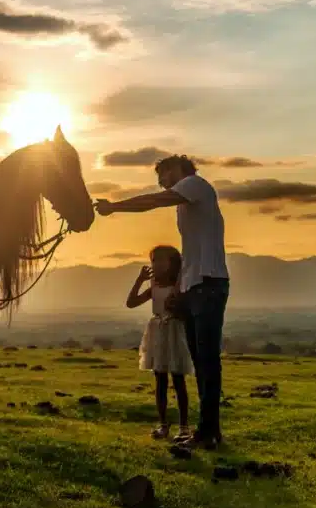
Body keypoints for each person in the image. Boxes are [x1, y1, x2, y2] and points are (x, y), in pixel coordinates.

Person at [96, 154, 229, 449]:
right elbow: (191, 252)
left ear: (176, 170)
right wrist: (181, 289)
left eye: (162, 176)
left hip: (209, 285)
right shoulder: (186, 204)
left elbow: (153, 202)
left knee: (207, 362)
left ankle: (209, 432)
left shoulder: (195, 185)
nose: (160, 183)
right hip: (196, 286)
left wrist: (114, 207)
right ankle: (208, 431)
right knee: (200, 361)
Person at [128, 245, 193, 443]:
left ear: (172, 263)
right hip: (157, 331)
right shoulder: (154, 286)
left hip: (174, 330)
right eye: (153, 260)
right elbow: (131, 303)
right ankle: (163, 424)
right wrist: (139, 281)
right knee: (160, 379)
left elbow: (186, 311)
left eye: (159, 260)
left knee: (178, 379)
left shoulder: (179, 286)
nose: (155, 264)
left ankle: (184, 427)